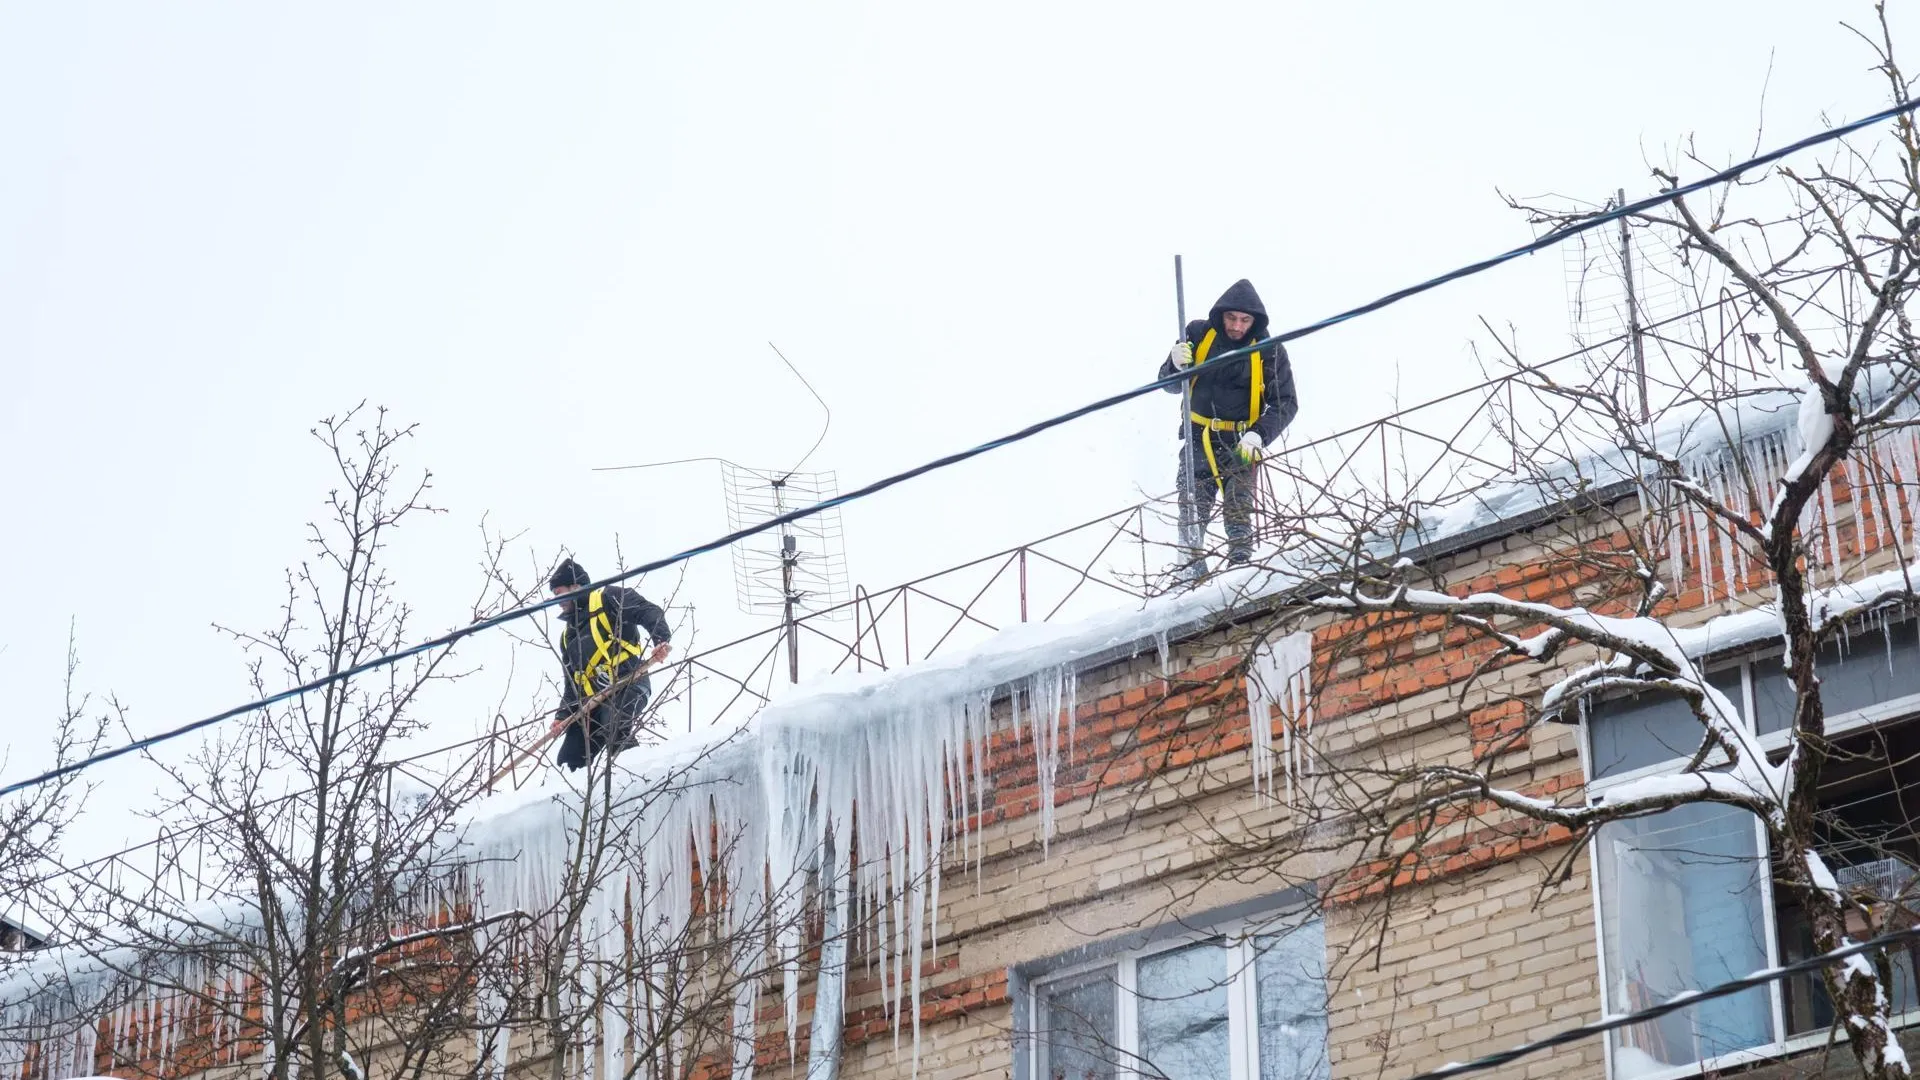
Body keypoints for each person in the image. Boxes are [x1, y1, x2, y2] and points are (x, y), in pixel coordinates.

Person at [1158, 278, 1298, 579]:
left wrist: (1258, 433)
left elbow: (1286, 403)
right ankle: (1190, 573)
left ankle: (1241, 570)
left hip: (1242, 442)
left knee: (1238, 508)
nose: (1236, 326)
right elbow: (1168, 385)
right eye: (1231, 318)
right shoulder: (1197, 334)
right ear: (1221, 315)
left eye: (1244, 320)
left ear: (1254, 322)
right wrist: (1173, 365)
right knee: (1191, 511)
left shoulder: (1268, 351)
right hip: (1198, 438)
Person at [547, 558, 673, 770]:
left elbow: (648, 611)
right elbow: (572, 685)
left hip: (629, 681)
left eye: (559, 593)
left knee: (613, 723)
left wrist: (660, 640)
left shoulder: (608, 598)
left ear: (576, 587)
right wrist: (562, 716)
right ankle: (582, 797)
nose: (557, 601)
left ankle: (635, 776)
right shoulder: (568, 637)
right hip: (593, 701)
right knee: (570, 756)